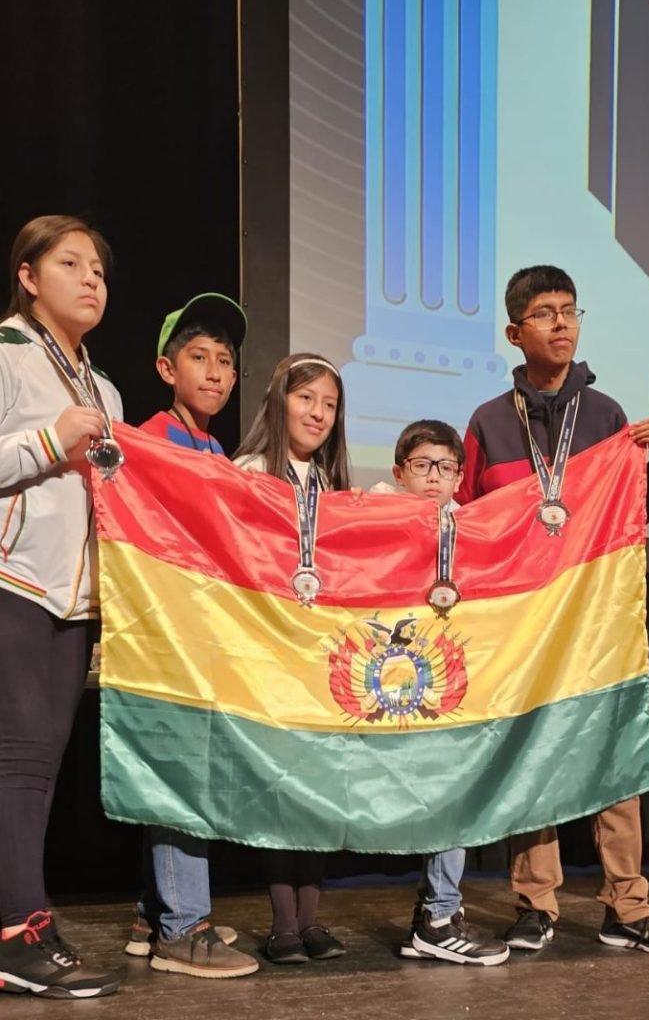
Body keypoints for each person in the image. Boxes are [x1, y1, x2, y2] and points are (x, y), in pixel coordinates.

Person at [459, 264, 649, 957]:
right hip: (525, 620)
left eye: (569, 309)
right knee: (532, 756)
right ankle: (535, 904)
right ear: (515, 332)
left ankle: (628, 905)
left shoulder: (608, 417)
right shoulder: (488, 422)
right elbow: (467, 520)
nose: (561, 323)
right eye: (544, 312)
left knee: (614, 756)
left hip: (595, 617)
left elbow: (632, 514)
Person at [0, 215, 123, 996]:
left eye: (99, 270)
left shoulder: (103, 387)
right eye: (71, 264)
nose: (91, 280)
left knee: (39, 764)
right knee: (20, 752)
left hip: (69, 597)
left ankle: (18, 919)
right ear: (27, 276)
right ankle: (22, 939)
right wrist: (49, 442)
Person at [130, 294, 259, 979]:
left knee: (184, 772)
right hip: (165, 634)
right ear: (166, 368)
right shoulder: (151, 441)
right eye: (199, 357)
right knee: (180, 774)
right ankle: (184, 927)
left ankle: (152, 914)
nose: (214, 372)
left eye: (225, 362)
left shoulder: (214, 450)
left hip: (202, 634)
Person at [375, 419, 509, 967]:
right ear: (399, 472)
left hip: (445, 681)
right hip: (382, 677)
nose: (434, 477)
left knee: (453, 787)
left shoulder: (471, 528)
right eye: (422, 465)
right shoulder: (372, 516)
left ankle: (438, 915)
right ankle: (296, 921)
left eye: (446, 467)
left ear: (459, 478)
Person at [233, 352, 349, 964]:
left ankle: (311, 920)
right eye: (307, 399)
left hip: (321, 656)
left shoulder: (330, 484)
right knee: (281, 790)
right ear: (279, 401)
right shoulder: (249, 471)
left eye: (329, 404)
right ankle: (282, 923)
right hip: (270, 651)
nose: (318, 413)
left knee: (318, 790)